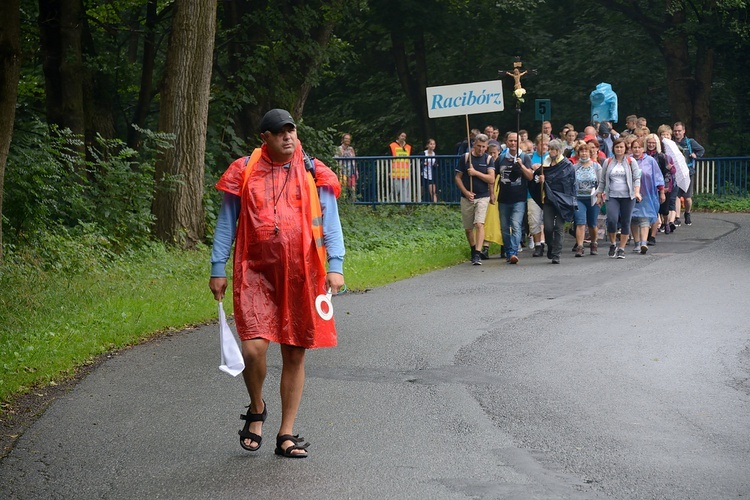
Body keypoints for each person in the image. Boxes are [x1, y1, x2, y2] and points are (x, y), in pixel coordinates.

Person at [209, 109, 345, 458]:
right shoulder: (244, 170)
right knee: (253, 348)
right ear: (265, 138)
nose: (288, 136)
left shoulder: (314, 171)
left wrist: (336, 264)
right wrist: (217, 267)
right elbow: (227, 222)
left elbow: (330, 220)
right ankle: (257, 407)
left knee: (295, 351)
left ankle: (286, 433)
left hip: (303, 273)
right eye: (280, 132)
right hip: (254, 272)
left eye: (292, 130)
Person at [530, 139, 576, 264]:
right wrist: (540, 180)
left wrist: (548, 179)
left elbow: (568, 183)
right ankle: (550, 246)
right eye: (549, 149)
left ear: (558, 151)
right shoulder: (546, 164)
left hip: (562, 201)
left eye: (552, 149)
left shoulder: (567, 165)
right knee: (548, 228)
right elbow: (536, 177)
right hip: (549, 200)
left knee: (558, 228)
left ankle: (556, 254)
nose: (549, 152)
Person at [596, 137, 642, 259]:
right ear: (613, 148)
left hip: (628, 196)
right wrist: (600, 194)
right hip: (612, 196)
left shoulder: (631, 161)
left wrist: (637, 192)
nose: (619, 149)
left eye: (621, 147)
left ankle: (621, 248)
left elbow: (636, 178)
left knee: (626, 221)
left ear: (625, 149)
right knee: (612, 220)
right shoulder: (608, 161)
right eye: (617, 147)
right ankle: (613, 244)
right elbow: (602, 180)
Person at [455, 133, 495, 265]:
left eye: (484, 146)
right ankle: (473, 249)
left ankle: (478, 253)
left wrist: (476, 173)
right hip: (467, 197)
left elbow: (491, 179)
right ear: (474, 145)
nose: (481, 149)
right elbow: (458, 177)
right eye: (479, 146)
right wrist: (466, 192)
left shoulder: (488, 159)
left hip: (482, 196)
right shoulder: (465, 158)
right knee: (468, 228)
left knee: (479, 224)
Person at [495, 132, 534, 264]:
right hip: (503, 198)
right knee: (505, 227)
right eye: (510, 141)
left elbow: (530, 177)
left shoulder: (524, 157)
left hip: (519, 198)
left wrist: (521, 165)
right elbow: (493, 176)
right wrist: (491, 193)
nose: (512, 143)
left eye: (515, 141)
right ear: (506, 142)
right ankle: (508, 251)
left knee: (516, 225)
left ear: (519, 143)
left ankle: (513, 252)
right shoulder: (501, 158)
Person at [630, 137, 664, 253]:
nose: (637, 150)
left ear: (643, 149)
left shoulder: (650, 161)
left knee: (644, 217)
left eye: (639, 147)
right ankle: (637, 242)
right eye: (634, 147)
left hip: (647, 193)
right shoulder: (628, 161)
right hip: (631, 194)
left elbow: (658, 176)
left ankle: (644, 243)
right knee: (633, 218)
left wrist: (662, 191)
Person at [572, 141, 602, 256]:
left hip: (593, 198)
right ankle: (580, 246)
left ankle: (594, 243)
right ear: (578, 153)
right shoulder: (574, 167)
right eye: (582, 151)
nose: (584, 153)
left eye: (586, 151)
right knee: (580, 222)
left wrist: (599, 196)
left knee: (592, 223)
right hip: (579, 198)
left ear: (590, 153)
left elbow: (601, 182)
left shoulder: (596, 166)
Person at [673, 121, 705, 226]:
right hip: (676, 173)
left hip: (688, 172)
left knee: (687, 197)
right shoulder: (671, 143)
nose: (677, 133)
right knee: (676, 196)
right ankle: (677, 217)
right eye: (675, 131)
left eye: (679, 131)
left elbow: (701, 150)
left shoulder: (689, 142)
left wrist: (695, 155)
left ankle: (687, 213)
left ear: (684, 131)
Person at [645, 133, 676, 240]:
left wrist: (666, 186)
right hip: (647, 187)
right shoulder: (643, 155)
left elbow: (667, 172)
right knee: (652, 210)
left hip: (660, 185)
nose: (651, 144)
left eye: (653, 143)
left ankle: (666, 222)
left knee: (664, 210)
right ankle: (651, 232)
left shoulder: (662, 156)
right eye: (649, 142)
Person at [529, 133, 549, 257]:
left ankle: (545, 241)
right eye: (542, 144)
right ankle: (537, 244)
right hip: (532, 194)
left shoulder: (551, 158)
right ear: (537, 145)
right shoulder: (530, 158)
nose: (545, 147)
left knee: (547, 220)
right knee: (534, 219)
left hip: (548, 194)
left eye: (547, 144)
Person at [389, 131, 412, 203]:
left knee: (405, 190)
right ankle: (390, 203)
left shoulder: (408, 147)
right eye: (402, 136)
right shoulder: (392, 145)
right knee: (396, 189)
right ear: (398, 136)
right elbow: (389, 158)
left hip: (406, 172)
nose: (403, 138)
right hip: (395, 172)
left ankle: (404, 207)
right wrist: (389, 171)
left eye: (404, 136)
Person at [335, 133, 357, 200]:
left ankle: (353, 202)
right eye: (346, 138)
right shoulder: (339, 149)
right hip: (342, 171)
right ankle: (343, 201)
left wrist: (356, 170)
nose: (348, 140)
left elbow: (354, 160)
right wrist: (338, 170)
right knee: (343, 187)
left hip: (351, 170)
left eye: (349, 139)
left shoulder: (351, 149)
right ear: (343, 140)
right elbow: (336, 160)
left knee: (353, 187)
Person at [421, 138, 438, 203]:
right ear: (427, 145)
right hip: (423, 175)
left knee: (433, 192)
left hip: (431, 175)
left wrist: (436, 165)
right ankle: (417, 205)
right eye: (431, 144)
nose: (432, 145)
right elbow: (418, 162)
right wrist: (423, 164)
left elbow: (436, 163)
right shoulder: (423, 153)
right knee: (421, 192)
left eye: (434, 144)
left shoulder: (435, 154)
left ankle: (436, 207)